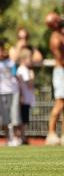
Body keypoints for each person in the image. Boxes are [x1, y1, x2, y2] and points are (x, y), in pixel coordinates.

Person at [45, 12, 64, 145]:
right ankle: (51, 133)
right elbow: (61, 59)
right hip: (61, 72)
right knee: (60, 103)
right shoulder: (55, 39)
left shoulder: (60, 34)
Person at [16, 47, 35, 145]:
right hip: (24, 99)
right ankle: (21, 137)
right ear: (24, 59)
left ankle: (22, 137)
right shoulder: (23, 70)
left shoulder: (23, 69)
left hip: (25, 98)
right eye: (30, 58)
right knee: (23, 119)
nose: (31, 61)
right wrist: (32, 75)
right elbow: (29, 84)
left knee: (23, 119)